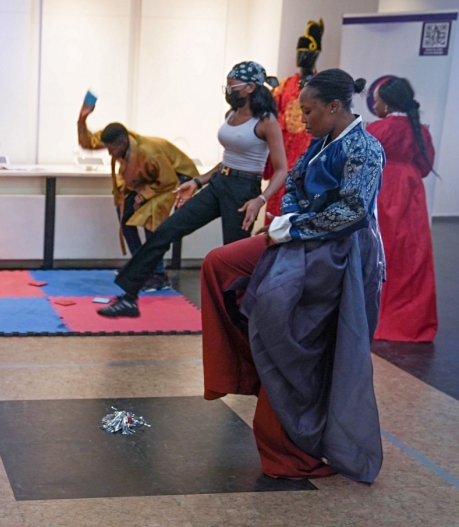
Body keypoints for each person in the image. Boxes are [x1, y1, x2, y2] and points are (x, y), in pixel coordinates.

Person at [201, 69, 385, 482]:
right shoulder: (322, 142)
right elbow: (296, 183)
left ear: (335, 107)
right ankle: (243, 365)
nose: (303, 120)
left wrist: (297, 226)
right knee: (219, 264)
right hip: (306, 241)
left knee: (282, 322)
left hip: (344, 254)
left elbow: (354, 211)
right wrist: (291, 215)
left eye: (309, 111)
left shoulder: (365, 148)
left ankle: (290, 437)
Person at [99, 61, 287, 317]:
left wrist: (261, 199)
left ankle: (238, 317)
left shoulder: (266, 122)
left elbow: (280, 169)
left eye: (233, 87)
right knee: (166, 231)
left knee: (232, 257)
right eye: (228, 86)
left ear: (251, 87)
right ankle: (129, 296)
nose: (228, 91)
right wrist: (198, 181)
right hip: (220, 182)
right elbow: (229, 159)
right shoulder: (230, 115)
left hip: (244, 192)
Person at [78, 108, 200, 291]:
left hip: (176, 178)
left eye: (112, 150)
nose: (110, 154)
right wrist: (82, 120)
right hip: (150, 179)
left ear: (123, 142)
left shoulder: (148, 152)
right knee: (124, 213)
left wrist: (143, 197)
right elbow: (88, 143)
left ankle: (159, 275)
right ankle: (140, 266)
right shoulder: (117, 141)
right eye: (107, 148)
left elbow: (168, 181)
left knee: (151, 218)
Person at [368, 76, 438, 342]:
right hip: (410, 192)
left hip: (381, 190)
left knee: (379, 255)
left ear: (385, 103)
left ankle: (375, 318)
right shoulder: (420, 130)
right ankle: (411, 322)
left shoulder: (377, 129)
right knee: (412, 256)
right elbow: (423, 165)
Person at [261, 19, 324, 219]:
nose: (301, 57)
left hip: (313, 156)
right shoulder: (283, 86)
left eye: (306, 53)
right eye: (299, 53)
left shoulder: (324, 86)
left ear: (315, 54)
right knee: (278, 206)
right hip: (285, 158)